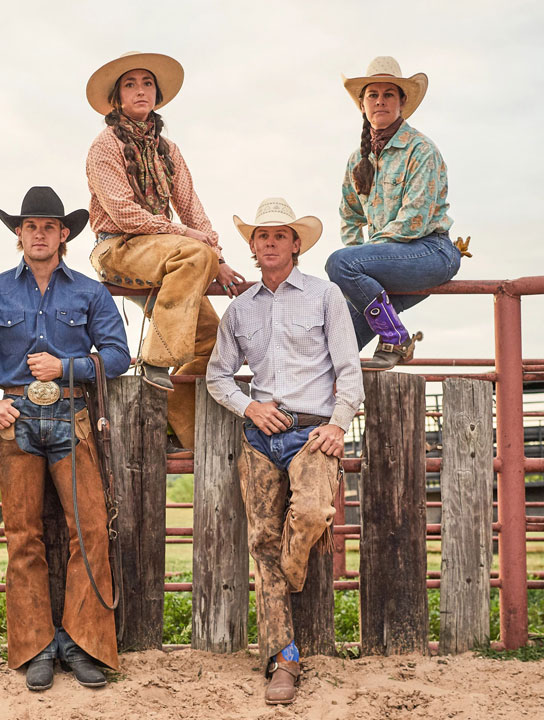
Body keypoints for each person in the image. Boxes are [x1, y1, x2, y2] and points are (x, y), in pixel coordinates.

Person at [0, 186, 131, 692]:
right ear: (19, 234)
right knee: (23, 537)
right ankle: (35, 646)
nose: (39, 234)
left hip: (73, 415)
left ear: (64, 234)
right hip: (15, 421)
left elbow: (118, 354)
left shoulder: (89, 291)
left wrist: (68, 367)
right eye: (30, 226)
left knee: (91, 531)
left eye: (49, 226)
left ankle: (82, 645)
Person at [207, 198, 364, 705]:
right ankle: (284, 659)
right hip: (261, 437)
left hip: (315, 433)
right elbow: (217, 376)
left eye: (280, 235)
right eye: (261, 236)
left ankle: (289, 572)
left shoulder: (325, 295)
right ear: (252, 247)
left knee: (314, 512)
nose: (270, 243)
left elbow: (348, 370)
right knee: (260, 541)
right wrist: (250, 410)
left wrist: (340, 425)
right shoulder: (240, 308)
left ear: (296, 244)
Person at [84, 51, 245, 451]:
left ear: (156, 96)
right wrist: (191, 241)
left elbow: (193, 208)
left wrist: (218, 260)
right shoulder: (104, 146)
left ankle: (174, 416)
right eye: (130, 84)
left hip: (169, 256)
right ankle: (155, 360)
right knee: (193, 253)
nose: (140, 90)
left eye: (147, 84)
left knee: (218, 342)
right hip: (118, 248)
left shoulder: (169, 151)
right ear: (117, 98)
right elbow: (123, 213)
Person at [326, 57, 466, 370]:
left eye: (389, 94)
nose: (380, 101)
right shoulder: (356, 161)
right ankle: (317, 412)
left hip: (430, 251)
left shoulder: (421, 150)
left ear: (402, 102)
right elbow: (349, 217)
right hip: (384, 262)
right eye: (372, 95)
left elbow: (413, 221)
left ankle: (395, 337)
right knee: (333, 345)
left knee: (338, 264)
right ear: (362, 105)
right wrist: (361, 264)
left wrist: (361, 262)